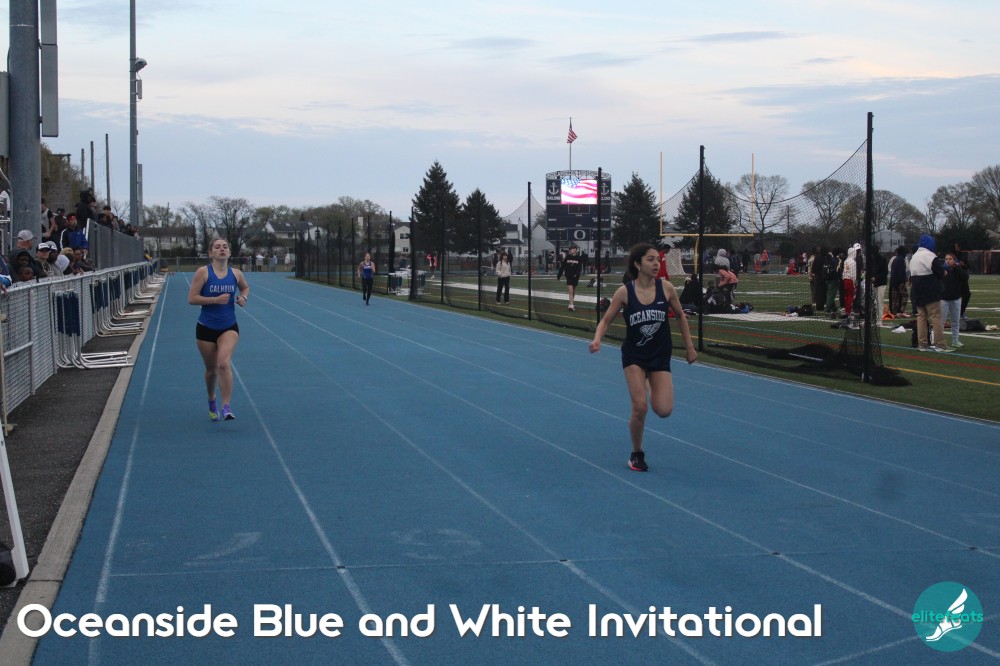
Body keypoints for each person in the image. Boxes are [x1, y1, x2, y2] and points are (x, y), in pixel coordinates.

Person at [589, 243, 697, 472]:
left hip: (660, 356)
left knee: (664, 410)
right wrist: (597, 339)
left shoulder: (666, 288)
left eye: (657, 259)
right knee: (640, 407)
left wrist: (690, 347)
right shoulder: (625, 292)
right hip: (634, 356)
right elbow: (606, 320)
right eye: (650, 259)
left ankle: (648, 380)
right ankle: (637, 453)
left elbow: (680, 316)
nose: (656, 263)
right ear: (638, 264)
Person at [187, 238, 250, 421]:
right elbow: (192, 298)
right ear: (211, 253)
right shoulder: (203, 272)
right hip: (206, 328)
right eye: (217, 247)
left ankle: (226, 407)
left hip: (229, 327)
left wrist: (243, 298)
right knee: (212, 370)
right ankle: (211, 398)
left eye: (225, 247)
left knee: (223, 363)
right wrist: (214, 300)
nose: (222, 249)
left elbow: (245, 288)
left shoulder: (236, 273)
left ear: (229, 252)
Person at [909, 234, 950, 352]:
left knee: (921, 317)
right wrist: (946, 271)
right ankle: (940, 344)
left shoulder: (914, 256)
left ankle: (922, 344)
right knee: (936, 317)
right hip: (930, 290)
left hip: (917, 290)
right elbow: (941, 272)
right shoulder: (930, 256)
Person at [941, 252, 968, 348]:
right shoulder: (942, 270)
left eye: (950, 259)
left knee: (955, 321)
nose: (948, 261)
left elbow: (965, 277)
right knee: (941, 321)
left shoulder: (957, 270)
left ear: (954, 260)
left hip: (956, 298)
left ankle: (955, 340)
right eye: (946, 259)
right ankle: (939, 341)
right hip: (943, 299)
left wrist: (957, 267)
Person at [556, 245, 583, 311]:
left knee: (573, 291)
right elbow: (562, 267)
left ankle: (570, 304)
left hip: (575, 277)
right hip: (569, 276)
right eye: (570, 249)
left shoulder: (578, 258)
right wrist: (559, 275)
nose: (571, 250)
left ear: (575, 250)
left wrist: (576, 274)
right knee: (571, 291)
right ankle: (572, 305)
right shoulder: (567, 257)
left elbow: (579, 267)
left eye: (572, 249)